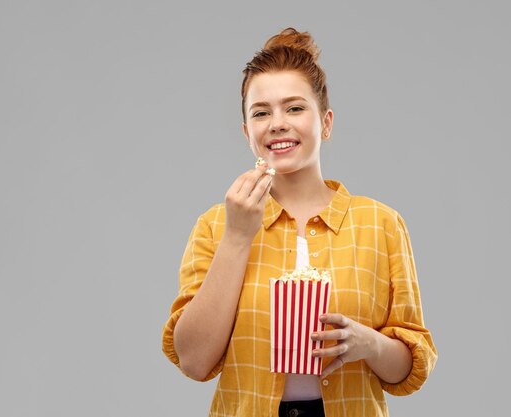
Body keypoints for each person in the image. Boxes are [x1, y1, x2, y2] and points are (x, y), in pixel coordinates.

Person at [162, 27, 437, 417]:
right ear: (247, 133)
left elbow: (412, 368)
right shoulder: (214, 226)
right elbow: (194, 360)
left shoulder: (382, 224)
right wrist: (238, 236)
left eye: (294, 108)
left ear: (325, 122)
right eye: (261, 113)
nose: (277, 123)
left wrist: (368, 344)